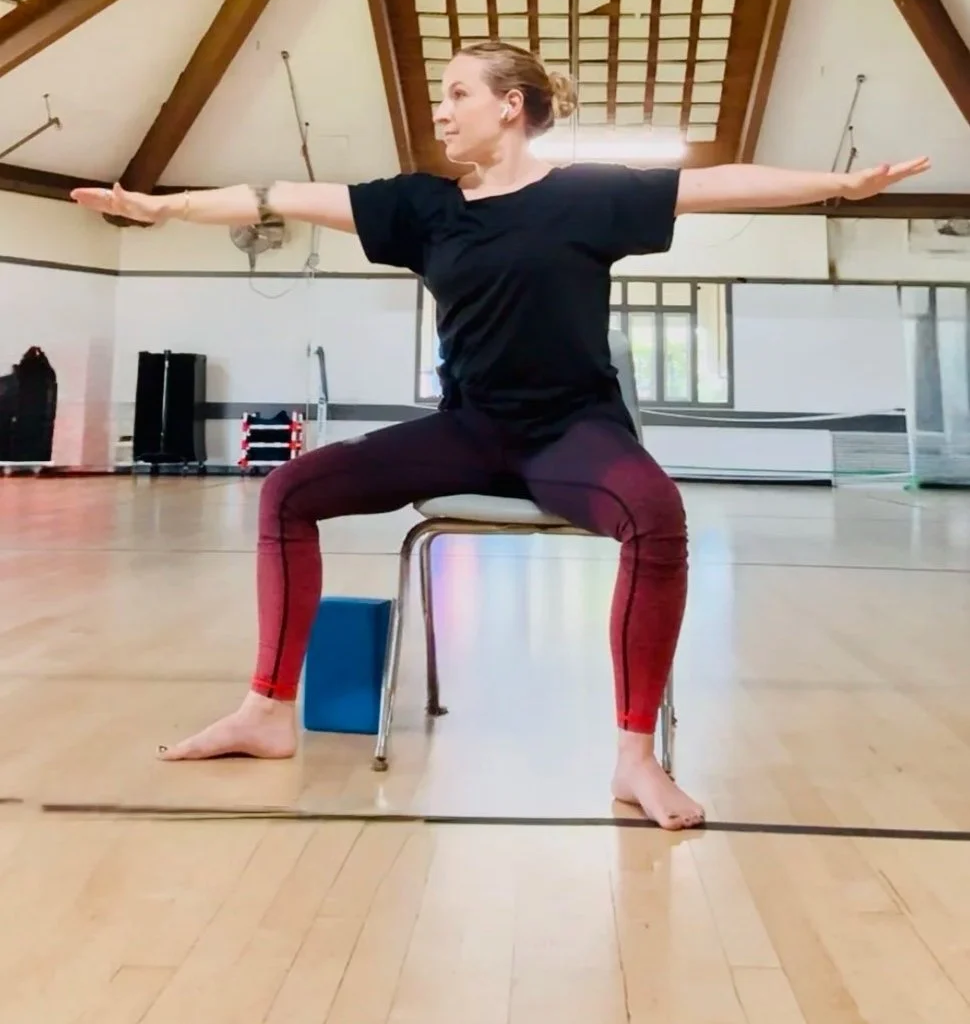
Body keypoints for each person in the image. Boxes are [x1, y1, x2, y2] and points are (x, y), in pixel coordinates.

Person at [72, 42, 928, 829]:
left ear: (511, 105)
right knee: (289, 488)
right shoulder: (422, 208)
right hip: (468, 432)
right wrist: (165, 207)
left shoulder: (588, 197)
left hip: (572, 436)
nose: (440, 112)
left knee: (656, 513)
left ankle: (635, 759)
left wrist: (838, 187)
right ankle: (265, 710)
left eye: (455, 95)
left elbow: (718, 183)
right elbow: (278, 197)